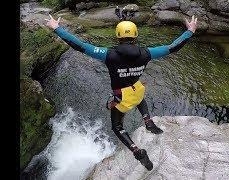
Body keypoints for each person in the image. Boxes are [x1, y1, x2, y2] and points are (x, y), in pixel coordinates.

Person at [45, 14, 198, 171]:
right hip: (136, 91)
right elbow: (173, 47)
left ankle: (136, 150)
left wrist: (57, 28)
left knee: (117, 126)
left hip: (122, 98)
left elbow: (80, 45)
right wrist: (190, 31)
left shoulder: (108, 54)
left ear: (118, 36)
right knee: (139, 96)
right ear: (135, 35)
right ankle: (148, 121)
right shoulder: (147, 53)